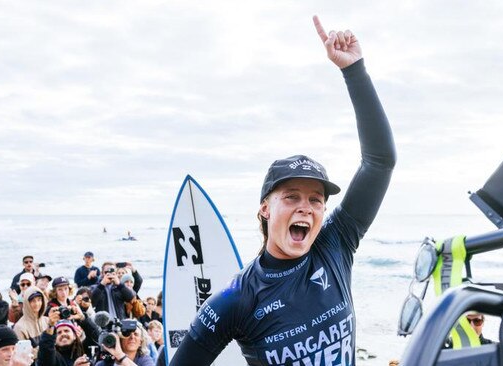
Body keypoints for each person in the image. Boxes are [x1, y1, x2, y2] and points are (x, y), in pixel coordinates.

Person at [169, 15, 395, 365]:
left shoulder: (336, 244)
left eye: (316, 200)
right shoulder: (236, 299)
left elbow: (380, 161)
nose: (306, 207)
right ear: (265, 209)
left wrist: (355, 71)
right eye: (291, 197)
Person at [37, 306, 101, 366]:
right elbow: (46, 349)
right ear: (54, 339)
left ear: (75, 336)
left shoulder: (84, 350)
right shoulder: (52, 356)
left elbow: (96, 337)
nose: (63, 334)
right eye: (59, 332)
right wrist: (51, 325)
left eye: (66, 330)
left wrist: (83, 318)